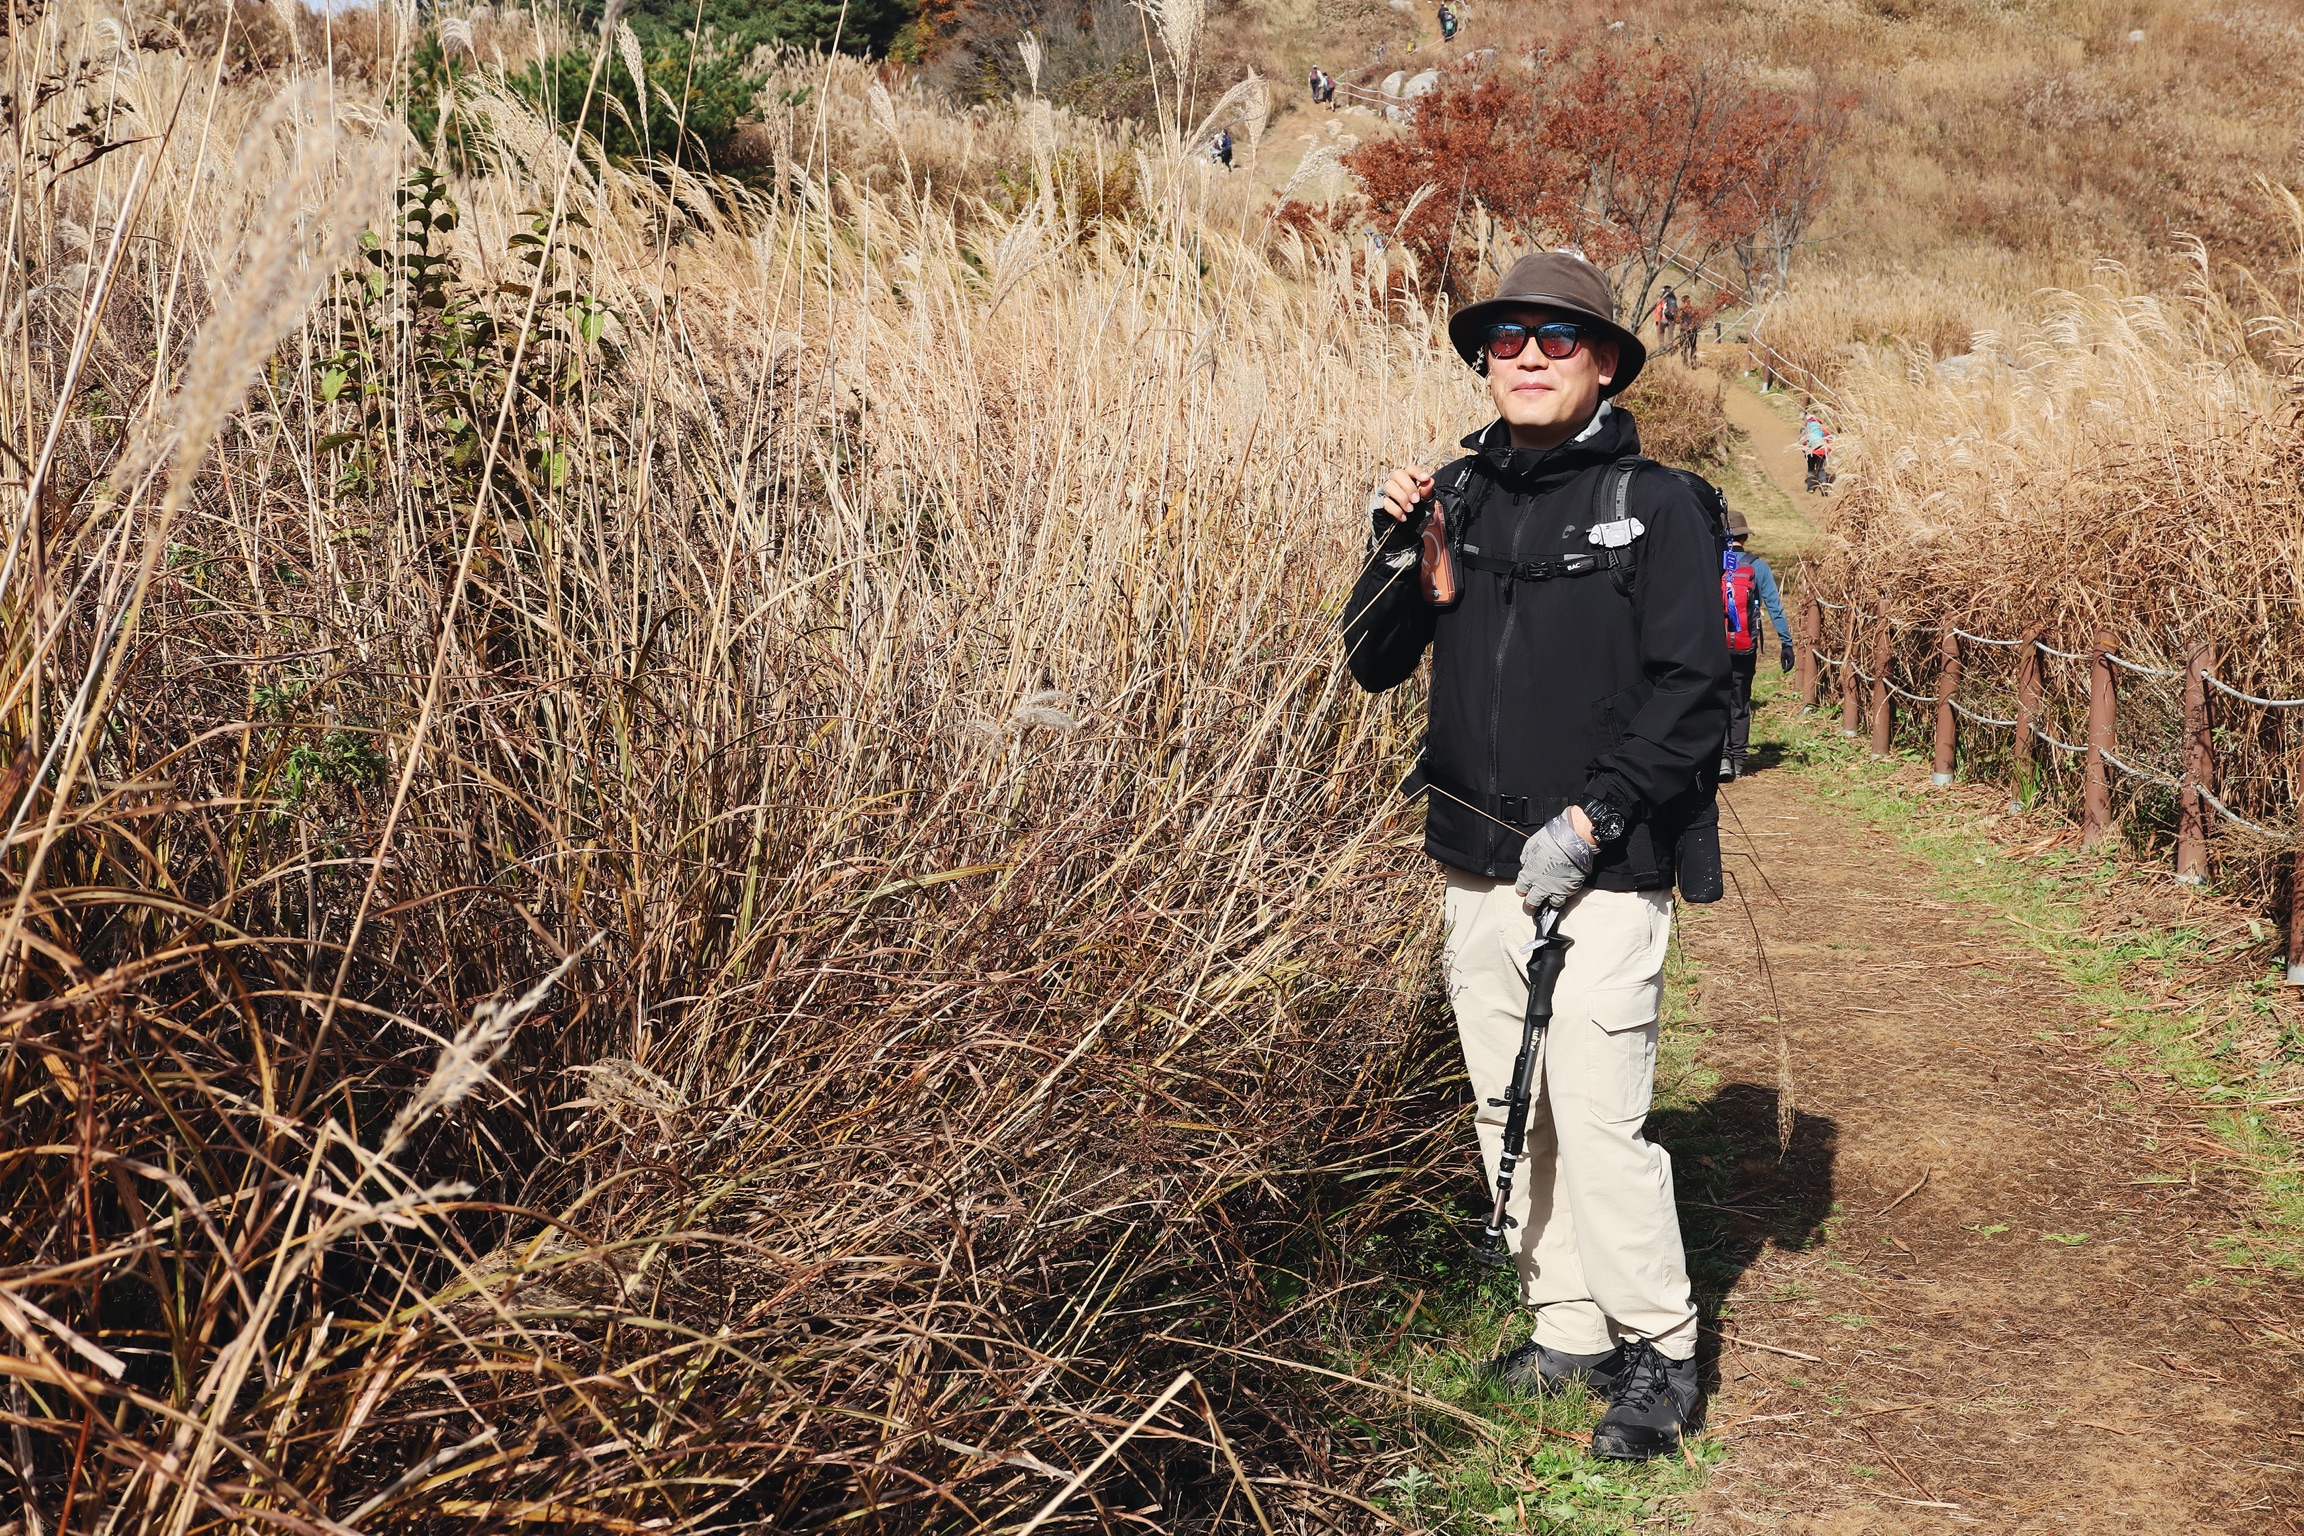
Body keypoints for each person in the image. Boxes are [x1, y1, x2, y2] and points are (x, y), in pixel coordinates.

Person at [1343, 251, 1729, 1460]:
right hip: (1474, 867)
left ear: (1605, 361)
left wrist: (1592, 822)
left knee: (1601, 1116)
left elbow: (1694, 693)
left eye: (1557, 338)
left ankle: (1659, 1350)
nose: (1525, 356)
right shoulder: (1453, 493)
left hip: (1603, 875)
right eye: (1503, 338)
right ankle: (1566, 1327)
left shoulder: (1659, 505)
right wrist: (1398, 550)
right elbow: (1370, 661)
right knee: (1511, 1105)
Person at [1717, 507, 1793, 781]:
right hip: (1744, 646)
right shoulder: (1757, 567)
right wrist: (1786, 643)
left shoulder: (1712, 564)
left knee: (1717, 699)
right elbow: (1774, 606)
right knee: (1740, 699)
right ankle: (1739, 759)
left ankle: (1722, 758)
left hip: (1714, 647)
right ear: (1745, 537)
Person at [1801, 410, 1831, 493]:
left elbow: (1803, 441)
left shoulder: (1805, 428)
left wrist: (1805, 451)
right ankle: (1823, 484)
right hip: (1822, 451)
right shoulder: (1821, 428)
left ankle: (1810, 487)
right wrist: (1827, 451)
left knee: (1811, 469)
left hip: (1810, 451)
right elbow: (1829, 439)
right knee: (1820, 468)